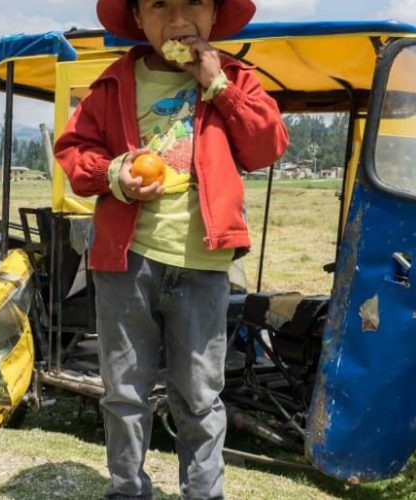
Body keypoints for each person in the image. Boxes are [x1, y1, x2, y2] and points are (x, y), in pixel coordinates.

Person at [54, 0, 288, 497]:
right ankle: (127, 488)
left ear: (214, 14)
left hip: (203, 266)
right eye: (160, 4)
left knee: (200, 396)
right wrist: (115, 174)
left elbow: (266, 147)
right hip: (125, 262)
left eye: (193, 3)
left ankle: (203, 492)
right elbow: (74, 152)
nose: (178, 20)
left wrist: (216, 82)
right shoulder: (114, 82)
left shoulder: (234, 78)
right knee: (124, 392)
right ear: (138, 17)